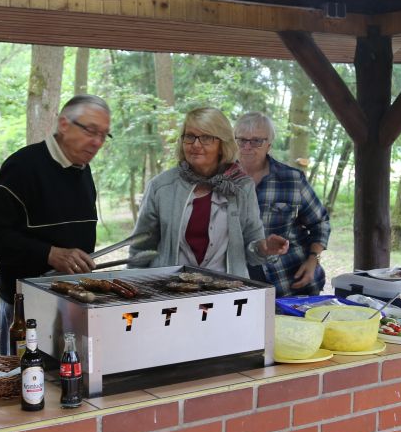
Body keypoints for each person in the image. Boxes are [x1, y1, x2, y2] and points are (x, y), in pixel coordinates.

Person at [0, 94, 111, 354]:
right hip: (25, 307)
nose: (97, 142)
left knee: (68, 383)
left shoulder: (82, 169)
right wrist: (49, 254)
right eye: (91, 131)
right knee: (26, 385)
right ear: (63, 124)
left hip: (71, 301)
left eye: (104, 135)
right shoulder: (23, 167)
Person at [129, 106, 289, 275]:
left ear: (222, 144)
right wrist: (133, 290)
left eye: (206, 137)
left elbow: (252, 251)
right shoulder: (161, 186)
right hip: (169, 291)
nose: (196, 145)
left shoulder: (241, 186)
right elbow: (140, 249)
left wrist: (264, 248)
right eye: (190, 136)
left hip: (225, 292)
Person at [235, 112, 331, 297]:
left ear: (269, 145)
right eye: (241, 140)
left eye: (256, 141)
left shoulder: (292, 179)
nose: (247, 147)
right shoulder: (221, 181)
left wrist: (313, 259)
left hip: (289, 279)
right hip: (239, 284)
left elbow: (320, 222)